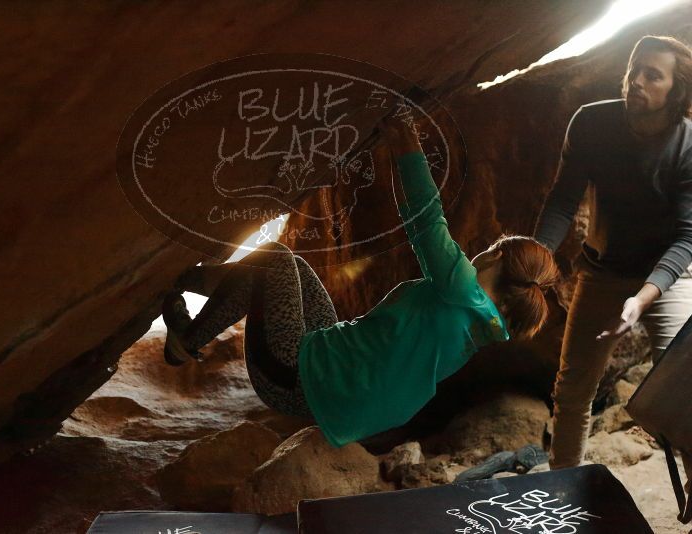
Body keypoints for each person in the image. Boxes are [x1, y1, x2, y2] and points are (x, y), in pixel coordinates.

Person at [163, 116, 560, 448]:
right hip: (343, 394)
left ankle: (184, 337)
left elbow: (426, 220)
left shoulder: (461, 291)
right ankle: (183, 280)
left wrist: (408, 147)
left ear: (495, 257)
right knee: (295, 270)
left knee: (276, 261)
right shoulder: (486, 325)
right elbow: (418, 221)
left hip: (296, 380)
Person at [533, 36, 692, 480]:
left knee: (685, 398)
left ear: (675, 91)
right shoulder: (591, 123)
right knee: (573, 390)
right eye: (633, 69)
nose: (636, 81)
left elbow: (688, 237)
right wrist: (534, 259)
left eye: (652, 75)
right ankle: (563, 495)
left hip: (671, 275)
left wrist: (642, 299)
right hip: (603, 272)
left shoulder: (688, 145)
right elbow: (563, 201)